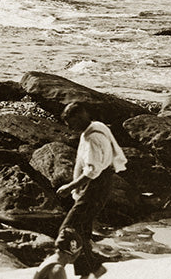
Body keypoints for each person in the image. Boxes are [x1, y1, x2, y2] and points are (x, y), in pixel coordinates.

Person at [53, 102, 127, 279]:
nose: (70, 128)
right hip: (103, 182)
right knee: (82, 231)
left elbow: (92, 171)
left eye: (71, 123)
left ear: (79, 117)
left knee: (69, 228)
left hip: (96, 185)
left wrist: (70, 187)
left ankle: (59, 264)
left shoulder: (92, 138)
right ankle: (90, 271)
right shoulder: (98, 126)